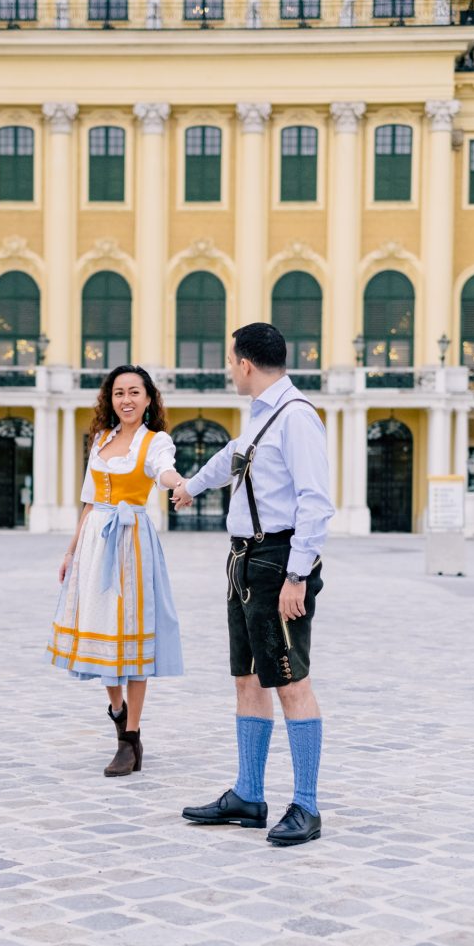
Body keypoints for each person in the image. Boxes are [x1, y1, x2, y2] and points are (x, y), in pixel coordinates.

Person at [173, 323, 334, 845]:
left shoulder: (297, 418)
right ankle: (248, 794)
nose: (227, 369)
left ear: (245, 364)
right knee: (245, 676)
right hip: (243, 561)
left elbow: (315, 501)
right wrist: (189, 488)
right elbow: (230, 461)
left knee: (290, 681)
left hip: (277, 562)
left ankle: (306, 807)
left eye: (230, 361)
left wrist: (298, 575)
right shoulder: (260, 417)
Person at [47, 365, 185, 777]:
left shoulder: (155, 441)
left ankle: (130, 738)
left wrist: (179, 484)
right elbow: (89, 500)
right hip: (95, 540)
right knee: (102, 629)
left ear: (148, 399)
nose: (126, 400)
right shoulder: (101, 440)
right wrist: (71, 551)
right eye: (119, 393)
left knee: (133, 638)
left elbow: (163, 470)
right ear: (110, 399)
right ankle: (117, 709)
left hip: (131, 542)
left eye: (134, 393)